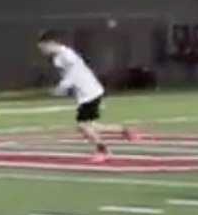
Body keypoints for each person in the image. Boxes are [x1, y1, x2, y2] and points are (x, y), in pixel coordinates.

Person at [37, 31, 138, 162]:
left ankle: (102, 150)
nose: (43, 51)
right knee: (92, 126)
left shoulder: (67, 55)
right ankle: (124, 130)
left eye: (43, 48)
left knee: (82, 126)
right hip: (87, 92)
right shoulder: (59, 58)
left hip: (88, 92)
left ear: (51, 43)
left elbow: (73, 74)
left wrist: (60, 89)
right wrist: (62, 88)